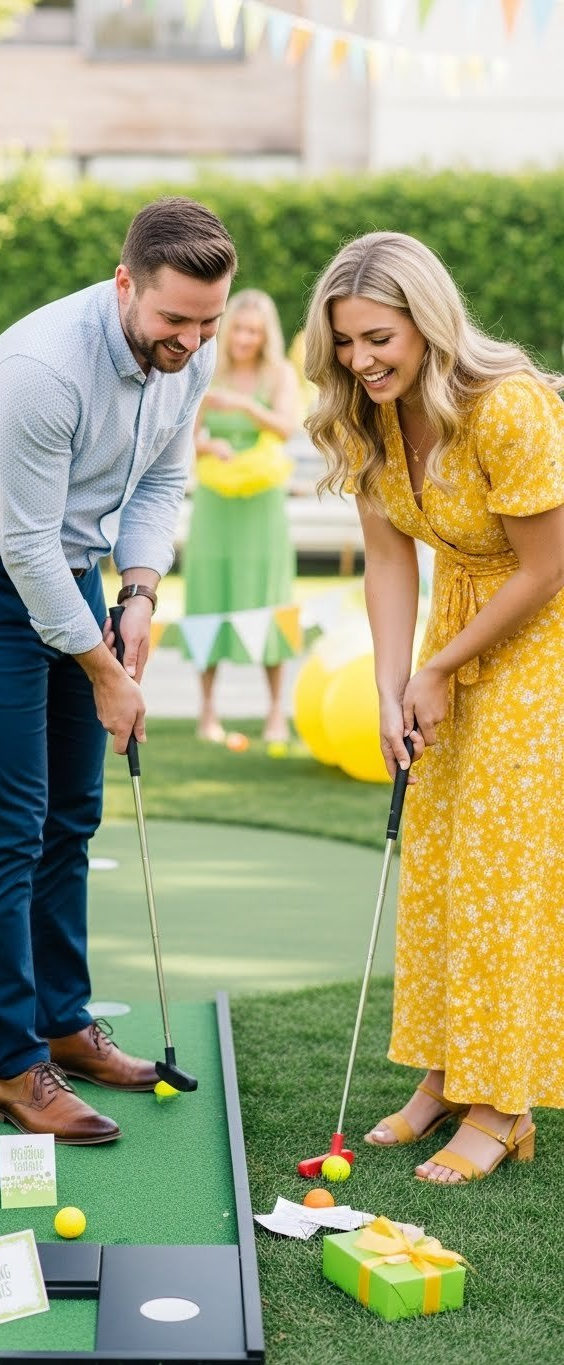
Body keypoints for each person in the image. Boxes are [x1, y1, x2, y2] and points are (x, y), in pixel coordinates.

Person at [0, 196, 236, 1143]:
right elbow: (25, 544)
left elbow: (164, 479)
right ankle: (15, 1066)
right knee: (10, 825)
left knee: (73, 814)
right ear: (125, 282)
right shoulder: (42, 367)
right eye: (175, 319)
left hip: (69, 577)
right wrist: (103, 667)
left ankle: (64, 1019)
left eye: (208, 321)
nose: (192, 339)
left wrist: (138, 592)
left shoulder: (194, 347)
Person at [304, 229, 564, 1183]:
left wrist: (443, 666)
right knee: (443, 860)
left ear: (427, 321)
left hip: (540, 643)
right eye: (345, 341)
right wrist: (390, 682)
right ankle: (447, 1073)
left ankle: (504, 1104)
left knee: (503, 867)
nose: (361, 359)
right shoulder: (374, 418)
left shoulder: (511, 407)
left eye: (379, 337)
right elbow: (386, 557)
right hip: (453, 636)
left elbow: (545, 568)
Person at [183, 289, 300, 745]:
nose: (245, 338)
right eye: (239, 329)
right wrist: (210, 446)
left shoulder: (280, 374)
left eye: (255, 331)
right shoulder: (206, 368)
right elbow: (185, 437)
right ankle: (207, 710)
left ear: (266, 335)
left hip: (262, 504)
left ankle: (276, 712)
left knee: (268, 598)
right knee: (209, 597)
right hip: (216, 500)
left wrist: (243, 407)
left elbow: (287, 427)